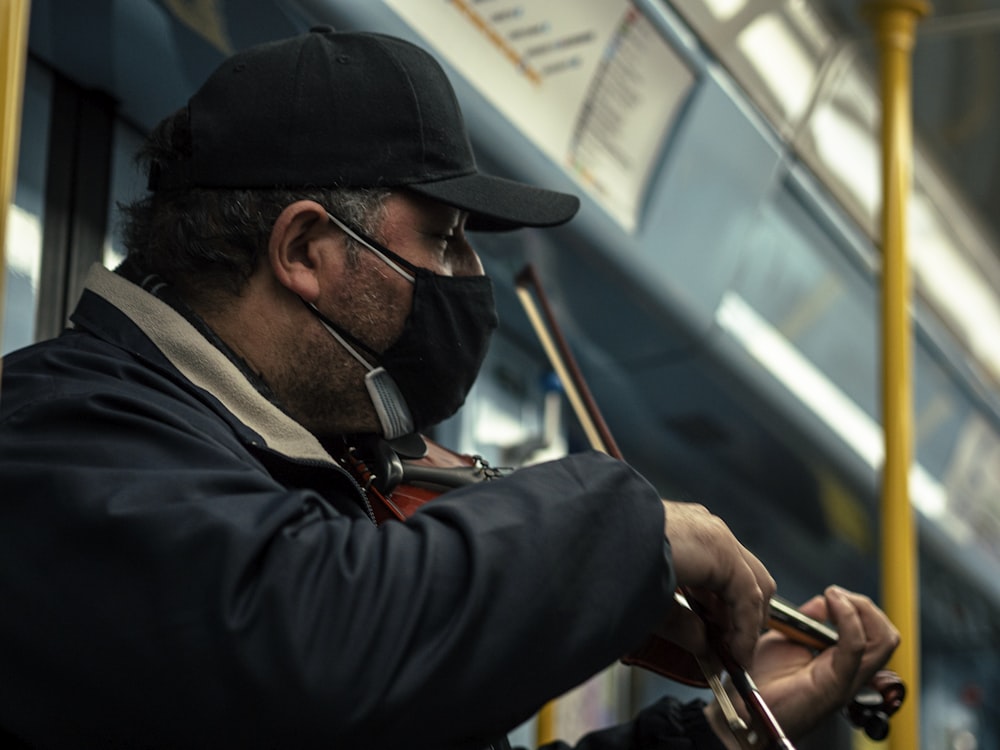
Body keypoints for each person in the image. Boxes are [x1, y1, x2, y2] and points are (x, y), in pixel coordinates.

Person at [0, 27, 899, 750]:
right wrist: (634, 525)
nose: (470, 278)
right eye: (447, 239)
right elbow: (315, 644)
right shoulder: (61, 435)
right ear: (307, 250)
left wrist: (721, 730)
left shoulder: (301, 474)